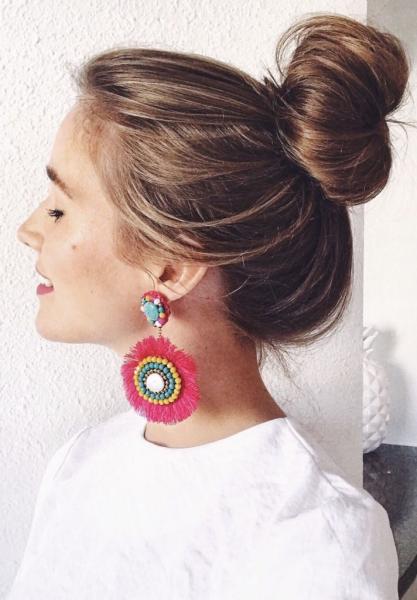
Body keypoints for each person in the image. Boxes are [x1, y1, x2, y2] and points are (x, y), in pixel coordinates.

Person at [9, 12, 411, 600]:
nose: (27, 230)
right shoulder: (79, 463)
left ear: (172, 267)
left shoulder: (318, 542)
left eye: (59, 209)